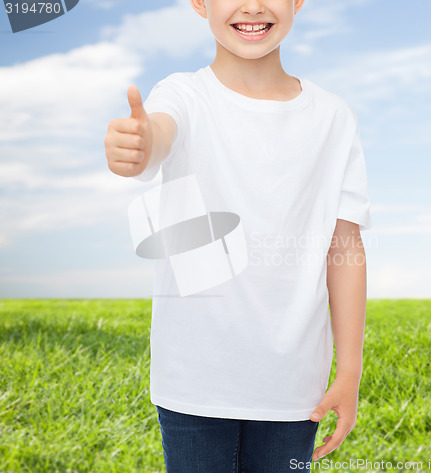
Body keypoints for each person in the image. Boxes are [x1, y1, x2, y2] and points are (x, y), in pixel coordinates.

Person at [104, 0, 372, 471]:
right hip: (193, 379)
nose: (252, 6)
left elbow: (345, 245)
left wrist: (349, 371)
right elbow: (159, 134)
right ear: (200, 3)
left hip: (294, 384)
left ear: (297, 2)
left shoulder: (333, 117)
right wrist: (140, 144)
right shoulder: (183, 95)